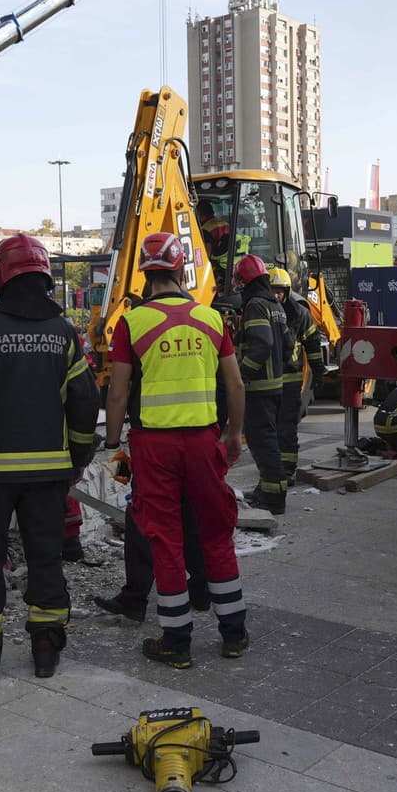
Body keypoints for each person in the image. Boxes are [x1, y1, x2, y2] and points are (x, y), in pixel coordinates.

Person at [0, 234, 100, 680]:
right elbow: (84, 400)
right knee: (46, 559)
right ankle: (46, 649)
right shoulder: (63, 334)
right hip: (49, 473)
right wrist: (78, 454)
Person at [104, 232, 249, 669]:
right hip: (204, 443)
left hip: (152, 448)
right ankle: (234, 634)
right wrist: (234, 436)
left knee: (164, 539)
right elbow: (236, 384)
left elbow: (117, 393)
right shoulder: (211, 318)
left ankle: (177, 642)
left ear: (145, 274)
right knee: (216, 535)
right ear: (182, 269)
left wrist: (113, 449)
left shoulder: (132, 323)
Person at [234, 255, 292, 515]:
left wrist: (243, 372)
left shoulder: (255, 305)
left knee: (262, 442)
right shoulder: (276, 306)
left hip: (259, 388)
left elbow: (262, 343)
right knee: (269, 440)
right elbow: (287, 346)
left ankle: (273, 498)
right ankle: (267, 489)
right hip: (275, 386)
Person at [270, 268, 324, 481]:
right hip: (268, 382)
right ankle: (273, 467)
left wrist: (318, 370)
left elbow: (312, 344)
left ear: (287, 290)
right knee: (269, 428)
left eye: (279, 291)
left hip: (290, 381)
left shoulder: (299, 313)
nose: (276, 295)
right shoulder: (262, 309)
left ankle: (287, 470)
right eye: (272, 290)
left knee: (287, 428)